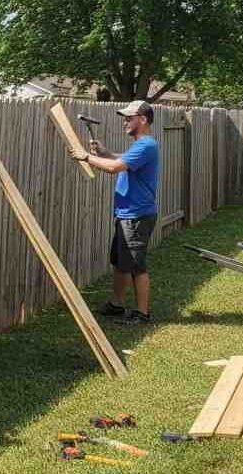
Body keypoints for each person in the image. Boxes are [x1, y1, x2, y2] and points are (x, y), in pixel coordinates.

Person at [70, 100, 160, 325]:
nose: (125, 122)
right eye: (125, 118)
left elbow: (114, 167)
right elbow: (122, 161)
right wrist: (106, 152)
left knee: (136, 265)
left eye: (129, 118)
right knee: (120, 261)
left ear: (143, 119)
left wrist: (87, 157)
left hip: (137, 215)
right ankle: (117, 304)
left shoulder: (146, 145)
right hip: (127, 213)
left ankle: (142, 313)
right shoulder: (140, 145)